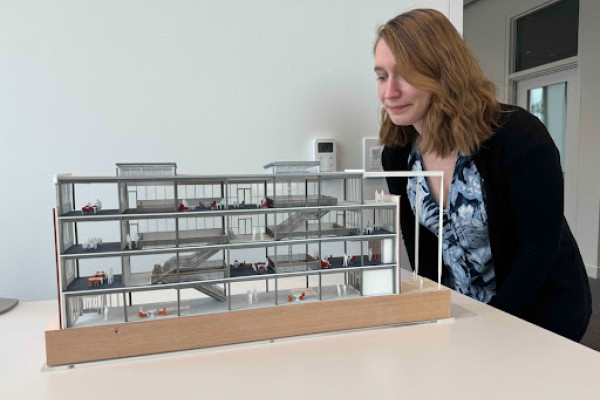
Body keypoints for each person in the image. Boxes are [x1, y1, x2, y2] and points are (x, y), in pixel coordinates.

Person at [374, 8, 591, 341]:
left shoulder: (519, 136)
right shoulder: (398, 152)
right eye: (381, 76)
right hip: (466, 311)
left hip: (540, 311)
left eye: (405, 74)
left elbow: (539, 249)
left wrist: (493, 326)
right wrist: (431, 310)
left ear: (441, 72)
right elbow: (417, 242)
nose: (389, 92)